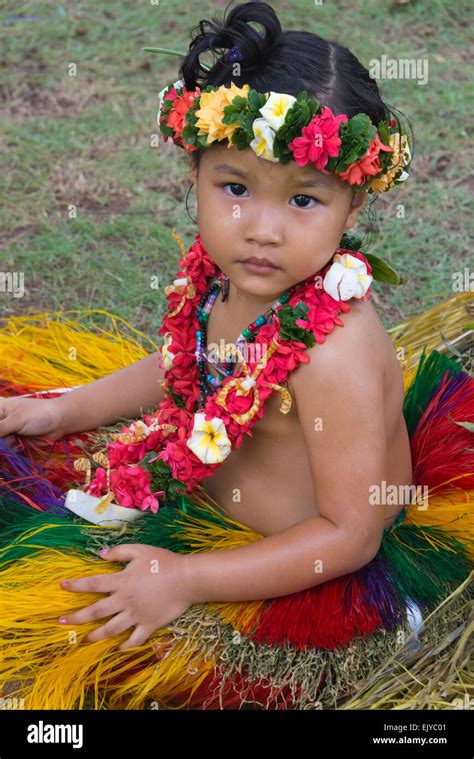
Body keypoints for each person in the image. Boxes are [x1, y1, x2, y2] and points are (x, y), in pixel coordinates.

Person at [0, 1, 472, 710]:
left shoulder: (332, 353)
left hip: (306, 573)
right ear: (194, 170)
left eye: (304, 200)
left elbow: (350, 535)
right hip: (212, 509)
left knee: (76, 638)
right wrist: (67, 407)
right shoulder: (224, 279)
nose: (262, 230)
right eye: (235, 188)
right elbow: (191, 364)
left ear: (354, 205)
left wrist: (184, 578)